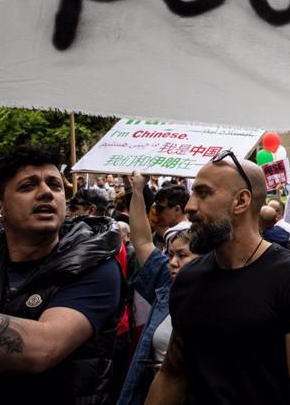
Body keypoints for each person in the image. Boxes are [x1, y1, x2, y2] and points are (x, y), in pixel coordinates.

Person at [146, 151, 290, 405]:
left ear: (241, 201)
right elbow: (172, 374)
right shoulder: (188, 279)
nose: (189, 207)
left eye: (203, 193)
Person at [0, 144, 124, 404]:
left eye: (55, 185)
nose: (46, 193)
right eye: (28, 186)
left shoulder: (95, 266)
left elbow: (43, 348)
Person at [117, 172, 196, 405]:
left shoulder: (224, 296)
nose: (173, 262)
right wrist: (137, 191)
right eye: (170, 254)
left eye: (182, 255)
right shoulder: (166, 282)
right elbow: (142, 240)